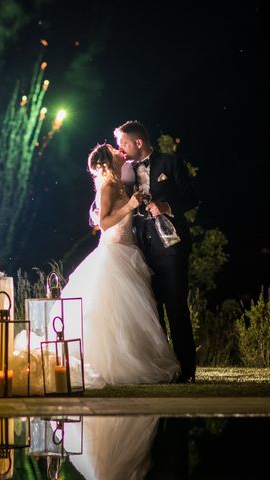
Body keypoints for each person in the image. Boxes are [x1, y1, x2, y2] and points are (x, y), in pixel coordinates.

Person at [60, 143, 179, 386]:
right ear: (107, 161)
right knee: (114, 312)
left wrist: (137, 204)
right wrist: (130, 206)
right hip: (114, 253)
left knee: (131, 313)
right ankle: (116, 364)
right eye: (114, 151)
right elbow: (103, 223)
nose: (119, 152)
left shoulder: (119, 184)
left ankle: (134, 357)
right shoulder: (108, 186)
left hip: (129, 250)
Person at [114, 120, 199, 383]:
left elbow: (193, 196)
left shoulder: (171, 162)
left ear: (138, 142)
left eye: (124, 143)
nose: (122, 149)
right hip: (140, 247)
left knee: (176, 305)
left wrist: (167, 206)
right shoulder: (126, 169)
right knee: (152, 309)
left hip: (171, 245)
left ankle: (186, 370)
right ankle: (162, 367)